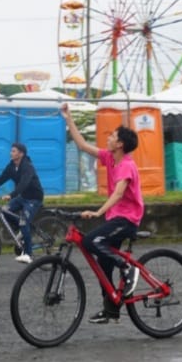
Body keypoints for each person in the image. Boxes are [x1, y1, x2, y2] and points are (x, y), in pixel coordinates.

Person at [60, 102, 143, 325]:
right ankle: (111, 309)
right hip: (114, 218)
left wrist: (98, 212)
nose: (108, 138)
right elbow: (82, 145)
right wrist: (69, 119)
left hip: (127, 219)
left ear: (120, 144)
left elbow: (118, 194)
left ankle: (126, 268)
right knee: (103, 262)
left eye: (112, 136)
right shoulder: (110, 157)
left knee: (90, 241)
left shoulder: (126, 165)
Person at [0, 143, 43, 264]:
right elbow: (0, 179)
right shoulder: (11, 166)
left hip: (34, 198)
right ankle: (22, 231)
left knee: (23, 221)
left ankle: (28, 254)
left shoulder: (27, 166)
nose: (11, 153)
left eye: (14, 151)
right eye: (11, 151)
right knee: (4, 210)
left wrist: (11, 195)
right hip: (22, 197)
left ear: (21, 154)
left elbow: (24, 184)